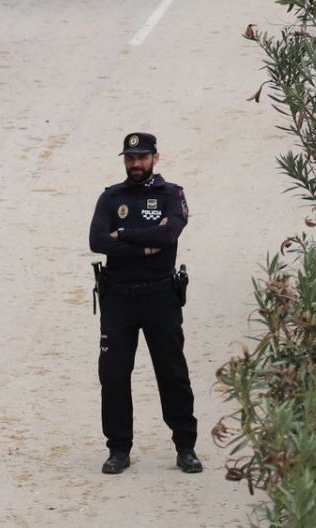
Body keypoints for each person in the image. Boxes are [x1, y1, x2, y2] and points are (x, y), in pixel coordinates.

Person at [88, 130, 201, 476]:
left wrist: (120, 236)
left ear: (155, 157)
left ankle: (186, 447)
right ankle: (118, 449)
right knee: (114, 374)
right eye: (130, 158)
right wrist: (142, 244)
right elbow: (96, 240)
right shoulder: (111, 198)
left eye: (142, 158)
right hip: (119, 298)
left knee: (172, 373)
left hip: (160, 296)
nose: (136, 164)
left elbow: (168, 235)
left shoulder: (172, 194)